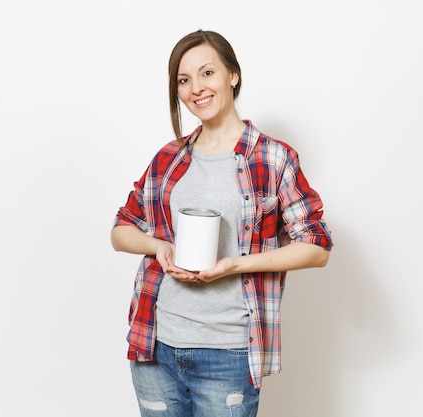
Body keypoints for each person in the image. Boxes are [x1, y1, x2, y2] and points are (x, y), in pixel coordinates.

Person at [111, 29, 333, 417]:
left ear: (232, 75)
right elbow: (121, 230)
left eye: (207, 73)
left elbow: (316, 248)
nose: (196, 88)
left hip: (228, 354)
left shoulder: (273, 158)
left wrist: (236, 265)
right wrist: (159, 247)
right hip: (156, 346)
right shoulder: (169, 158)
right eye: (184, 80)